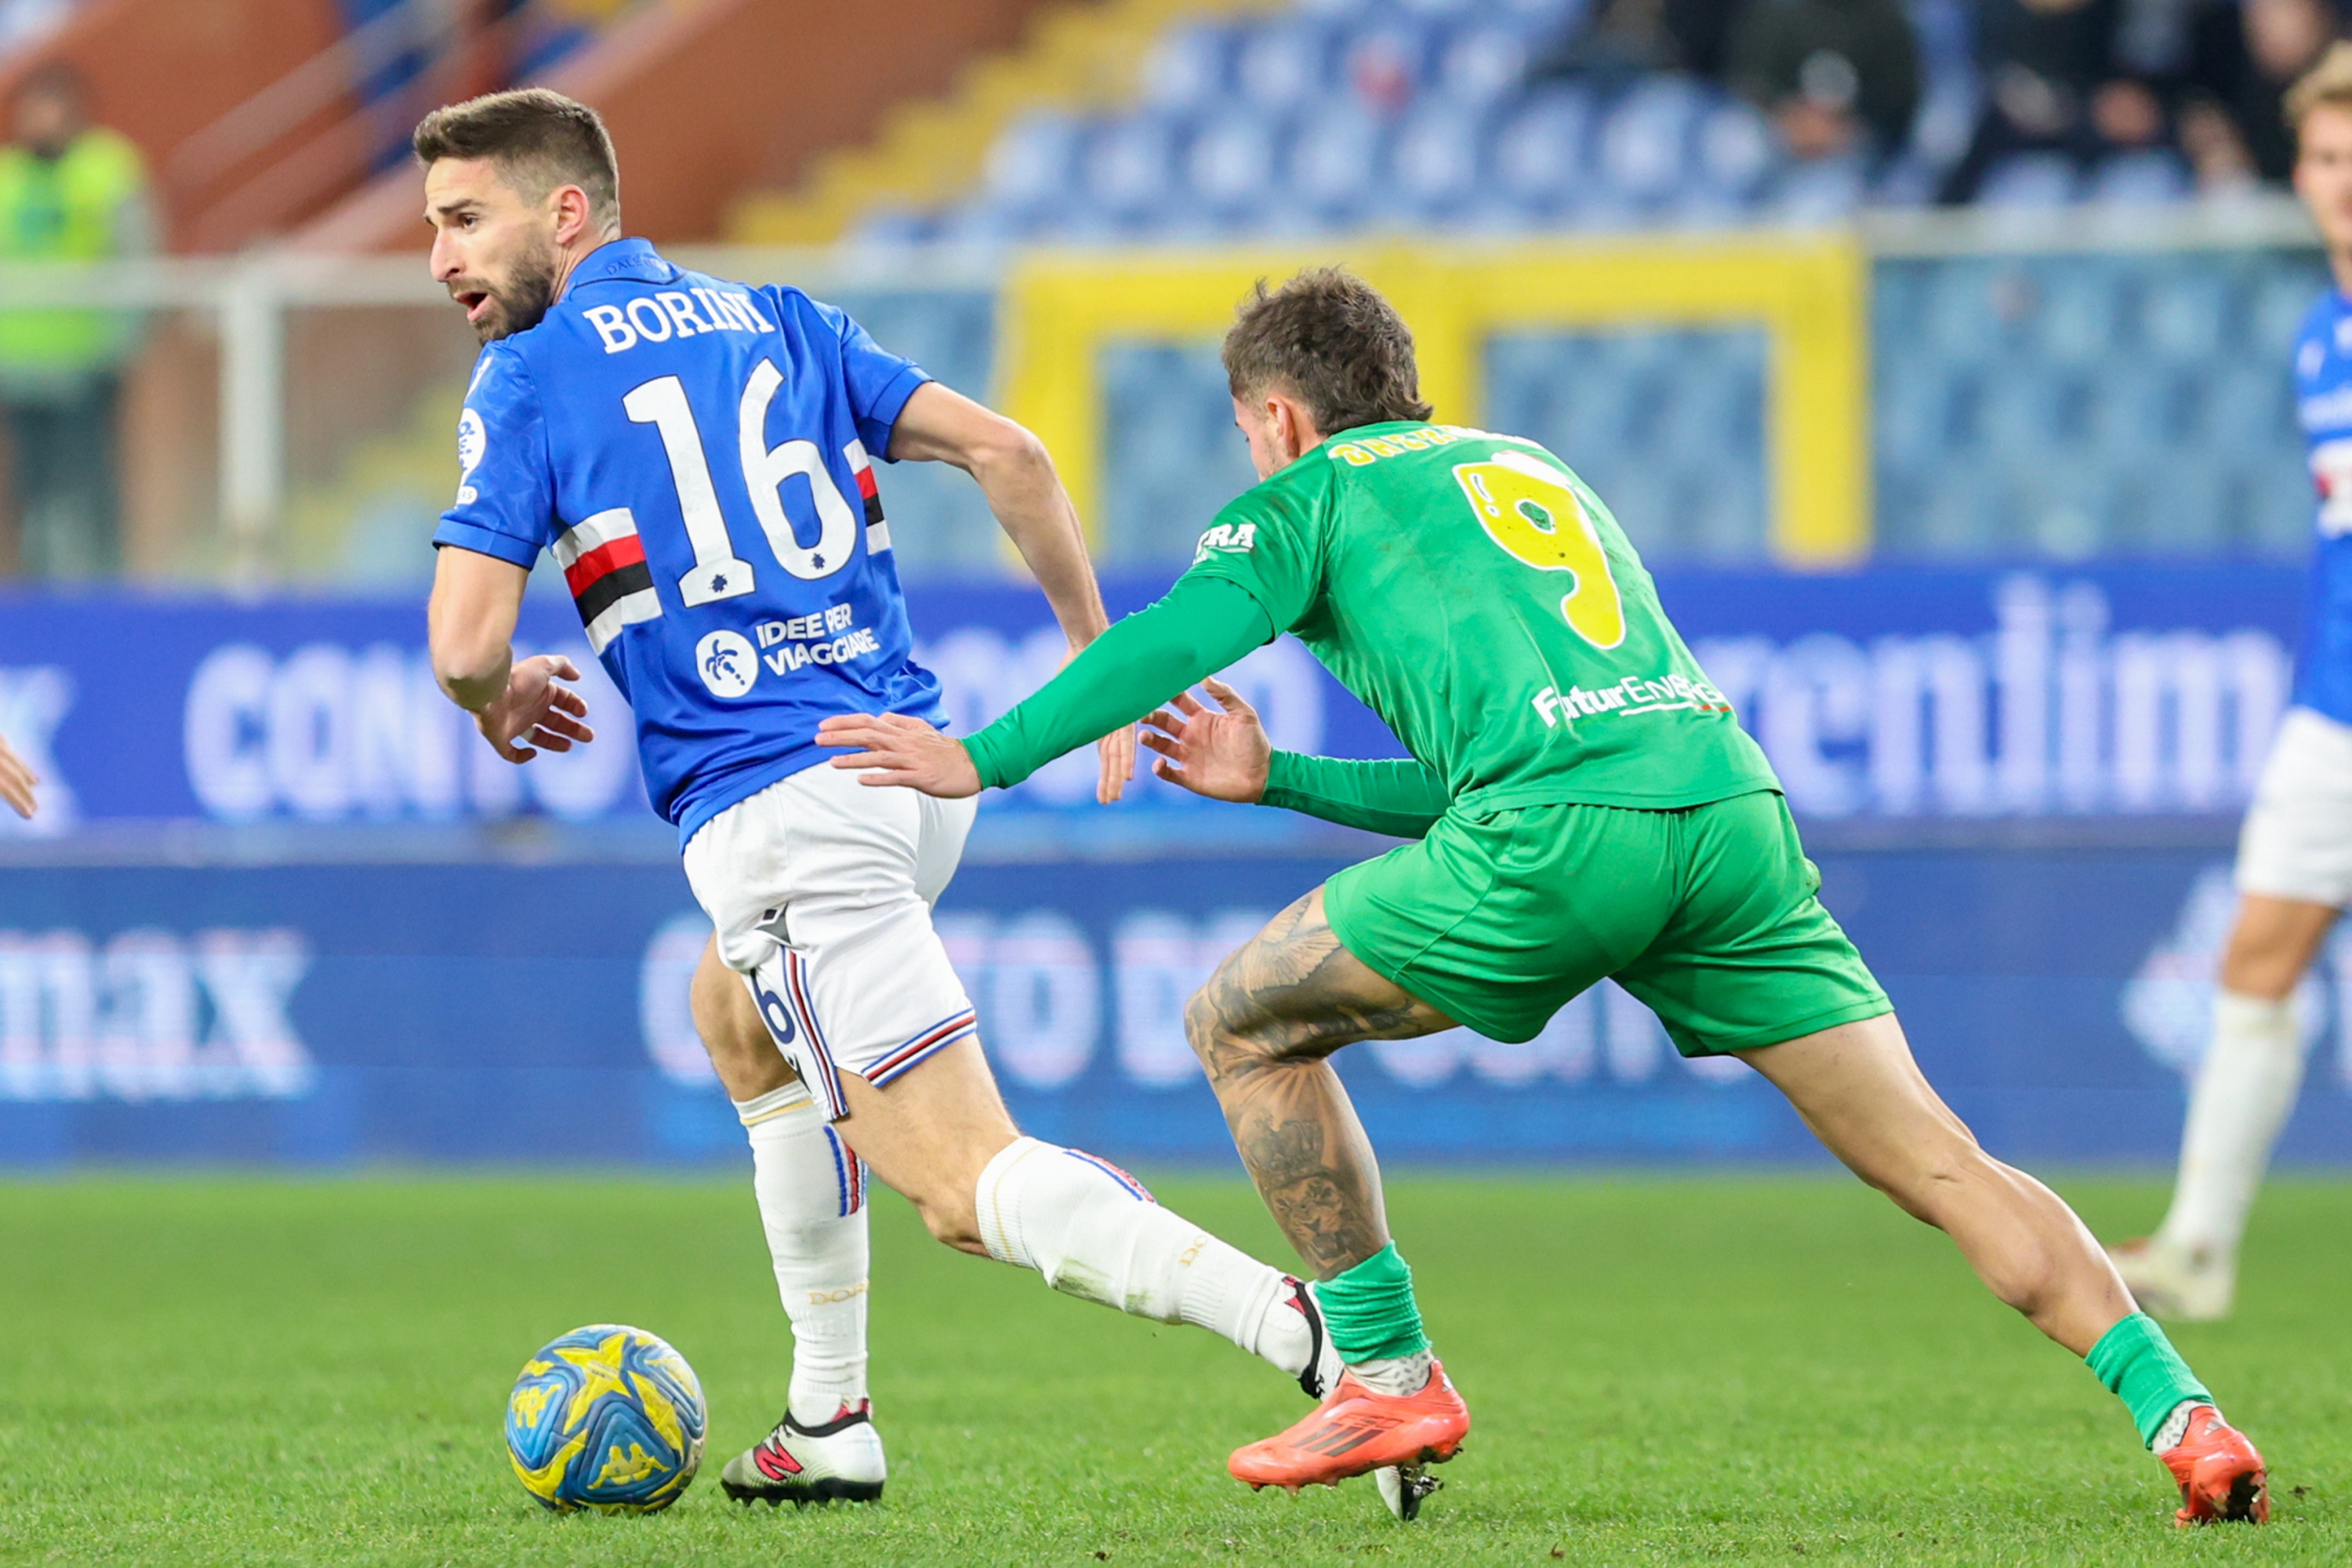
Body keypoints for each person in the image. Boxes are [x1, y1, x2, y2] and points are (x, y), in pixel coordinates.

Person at [819, 267, 2274, 1526]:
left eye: (1247, 435)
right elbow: (1526, 755)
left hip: (1564, 842)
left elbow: (1165, 641)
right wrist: (1287, 783)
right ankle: (2184, 1414)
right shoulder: (1531, 467)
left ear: (1276, 419)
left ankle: (1385, 1372)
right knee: (1946, 1162)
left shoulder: (1312, 494)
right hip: (1724, 816)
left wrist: (983, 755)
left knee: (1240, 1022)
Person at [416, 88, 1367, 1514]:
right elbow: (1017, 457)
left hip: (785, 818)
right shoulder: (787, 319)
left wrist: (497, 703)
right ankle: (829, 1416)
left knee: (961, 1187)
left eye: (464, 219)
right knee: (734, 1020)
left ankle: (1318, 1340)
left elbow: (464, 644)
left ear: (568, 214)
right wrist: (1090, 653)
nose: (441, 258)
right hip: (906, 780)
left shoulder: (532, 380)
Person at [2107, 43, 2352, 1322]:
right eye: (2323, 157)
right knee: (2256, 957)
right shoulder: (2322, 337)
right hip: (2335, 709)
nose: (2342, 181)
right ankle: (2200, 1247)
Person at [0, 61, 151, 579]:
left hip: (84, 366)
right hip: (16, 370)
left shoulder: (106, 169)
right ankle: (35, 590)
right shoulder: (8, 176)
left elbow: (138, 257)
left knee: (88, 489)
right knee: (28, 492)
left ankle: (98, 587)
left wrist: (121, 343)